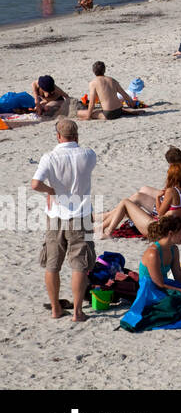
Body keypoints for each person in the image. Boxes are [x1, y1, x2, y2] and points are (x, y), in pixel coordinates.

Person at [31, 119, 97, 321]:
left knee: (53, 264)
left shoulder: (49, 157)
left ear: (58, 136)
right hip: (80, 214)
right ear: (76, 136)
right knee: (80, 264)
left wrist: (50, 190)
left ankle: (55, 309)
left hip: (55, 215)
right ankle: (77, 312)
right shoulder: (88, 154)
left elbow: (35, 184)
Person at [97, 146, 181, 237]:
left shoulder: (171, 191)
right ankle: (103, 223)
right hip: (174, 223)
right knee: (140, 193)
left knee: (125, 202)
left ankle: (107, 231)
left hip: (158, 227)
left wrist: (159, 198)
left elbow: (160, 213)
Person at [137, 213, 181, 300]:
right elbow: (159, 284)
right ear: (170, 233)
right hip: (150, 290)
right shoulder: (153, 254)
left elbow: (179, 276)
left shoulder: (174, 249)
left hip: (165, 286)